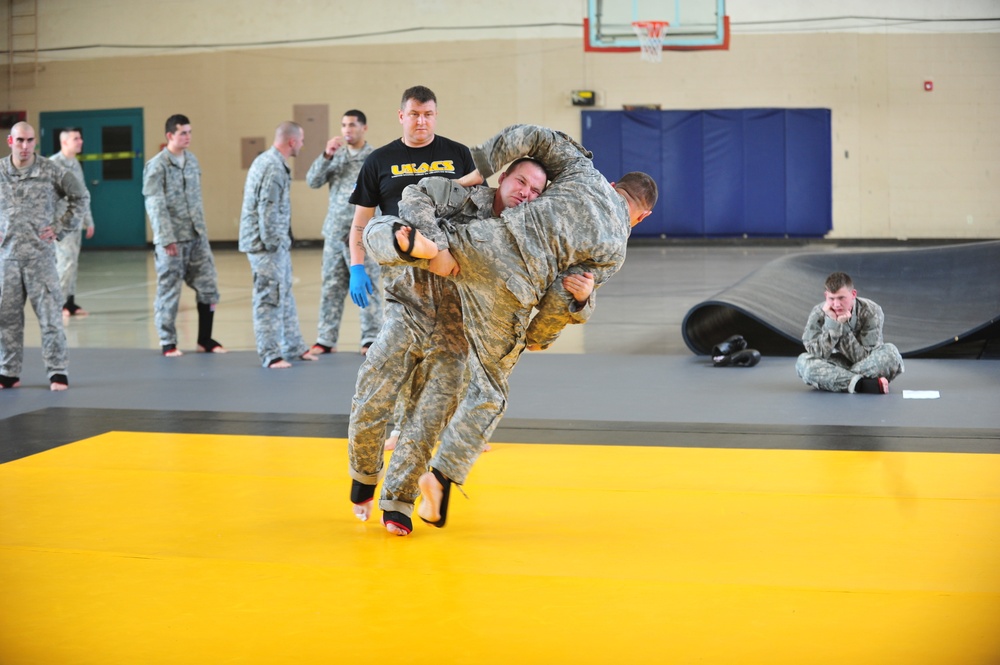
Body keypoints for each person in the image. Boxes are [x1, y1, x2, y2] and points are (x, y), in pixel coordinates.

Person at [356, 124, 657, 533]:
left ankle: (401, 241)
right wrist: (539, 337)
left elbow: (531, 134)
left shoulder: (582, 174)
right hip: (511, 287)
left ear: (610, 182)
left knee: (391, 232)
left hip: (484, 243)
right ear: (643, 216)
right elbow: (559, 298)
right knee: (490, 391)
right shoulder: (615, 248)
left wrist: (480, 167)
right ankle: (441, 481)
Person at [347, 157, 553, 535]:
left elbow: (553, 280)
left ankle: (398, 503)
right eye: (521, 181)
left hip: (459, 336)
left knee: (426, 423)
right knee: (372, 395)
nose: (526, 193)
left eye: (536, 190)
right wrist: (437, 248)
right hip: (410, 308)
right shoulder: (463, 197)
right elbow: (414, 195)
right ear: (503, 177)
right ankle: (363, 477)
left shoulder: (530, 232)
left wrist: (579, 299)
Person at [347, 85, 476, 449]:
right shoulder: (379, 160)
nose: (422, 120)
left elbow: (477, 208)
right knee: (406, 351)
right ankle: (404, 426)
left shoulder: (457, 155)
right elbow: (360, 222)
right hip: (403, 275)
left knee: (458, 350)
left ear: (436, 115)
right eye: (415, 114)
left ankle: (459, 431)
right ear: (402, 116)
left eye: (428, 114)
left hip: (452, 267)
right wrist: (357, 266)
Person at [0, 122, 88, 391]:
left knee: (50, 318)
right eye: (20, 141)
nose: (25, 146)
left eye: (29, 140)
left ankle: (57, 371)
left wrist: (60, 227)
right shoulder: (0, 171)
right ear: (10, 141)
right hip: (8, 259)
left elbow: (80, 196)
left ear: (35, 141)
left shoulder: (50, 170)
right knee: (6, 319)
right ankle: (8, 372)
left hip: (41, 258)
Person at [142, 114, 225, 357]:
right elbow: (155, 204)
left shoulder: (192, 161)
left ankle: (205, 339)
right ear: (170, 136)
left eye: (189, 132)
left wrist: (202, 233)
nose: (188, 137)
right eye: (183, 133)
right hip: (172, 240)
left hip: (197, 236)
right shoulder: (157, 165)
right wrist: (166, 238)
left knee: (209, 286)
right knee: (169, 290)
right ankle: (168, 341)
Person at [239, 121, 318, 369]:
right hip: (265, 245)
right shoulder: (272, 166)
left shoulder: (272, 162)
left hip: (274, 243)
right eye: (301, 140)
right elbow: (267, 209)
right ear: (292, 141)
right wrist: (274, 243)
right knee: (269, 297)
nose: (302, 145)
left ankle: (293, 347)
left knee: (284, 294)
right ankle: (270, 354)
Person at [305, 110, 380, 356]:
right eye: (344, 125)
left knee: (367, 287)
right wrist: (326, 155)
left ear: (364, 128)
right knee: (331, 286)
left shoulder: (374, 158)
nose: (347, 129)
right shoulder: (335, 156)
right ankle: (326, 338)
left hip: (362, 235)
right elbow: (312, 181)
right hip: (335, 233)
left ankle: (370, 338)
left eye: (352, 125)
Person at [795, 271, 904, 394]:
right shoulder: (818, 313)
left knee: (891, 354)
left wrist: (842, 326)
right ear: (826, 296)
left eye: (841, 298)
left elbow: (865, 357)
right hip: (835, 363)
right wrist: (834, 325)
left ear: (853, 294)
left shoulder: (872, 310)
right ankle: (862, 384)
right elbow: (818, 353)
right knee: (803, 363)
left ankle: (839, 381)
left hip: (865, 365)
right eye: (831, 298)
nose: (836, 305)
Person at [50, 128, 95, 317]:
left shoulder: (75, 163)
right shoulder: (53, 164)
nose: (81, 141)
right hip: (60, 224)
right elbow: (45, 198)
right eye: (76, 139)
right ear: (65, 142)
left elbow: (82, 194)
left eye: (80, 138)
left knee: (73, 264)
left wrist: (88, 220)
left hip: (75, 224)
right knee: (65, 263)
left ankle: (69, 302)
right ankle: (57, 304)